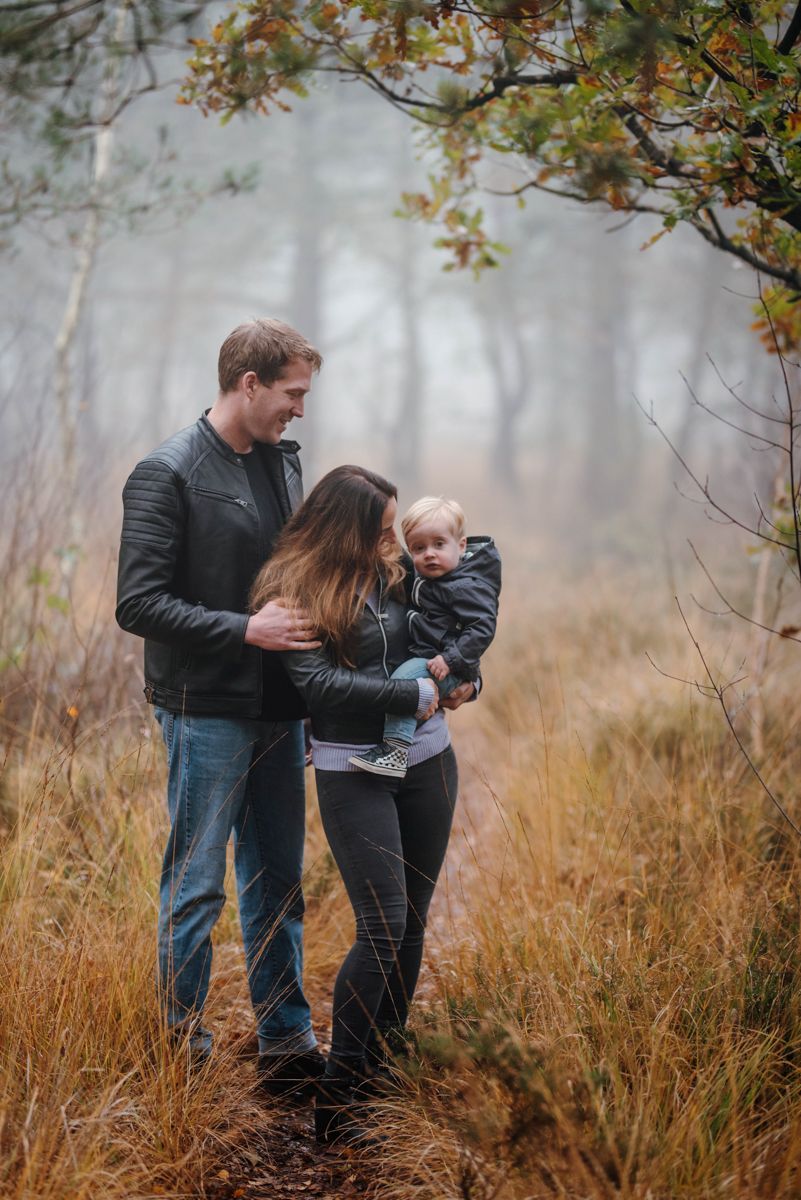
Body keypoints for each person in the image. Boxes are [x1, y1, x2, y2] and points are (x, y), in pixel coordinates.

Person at [115, 318, 327, 1096]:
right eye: (291, 392)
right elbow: (137, 605)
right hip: (204, 707)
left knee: (278, 877)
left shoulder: (281, 465)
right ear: (249, 384)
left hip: (280, 708)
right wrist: (247, 630)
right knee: (197, 882)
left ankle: (286, 1039)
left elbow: (294, 586)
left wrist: (310, 696)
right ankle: (182, 1050)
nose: (300, 408)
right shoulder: (165, 472)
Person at [250, 465, 475, 1147]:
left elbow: (449, 629)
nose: (393, 543)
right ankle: (338, 1096)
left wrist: (465, 678)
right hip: (354, 770)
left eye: (394, 530)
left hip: (428, 759)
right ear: (346, 527)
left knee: (410, 923)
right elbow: (317, 684)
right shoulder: (293, 590)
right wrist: (403, 697)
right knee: (381, 925)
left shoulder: (399, 574)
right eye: (380, 530)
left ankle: (383, 1069)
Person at [349, 495, 501, 778]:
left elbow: (482, 628)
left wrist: (452, 660)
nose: (429, 554)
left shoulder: (465, 586)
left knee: (405, 682)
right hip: (435, 657)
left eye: (439, 544)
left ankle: (395, 749)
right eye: (419, 548)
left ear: (462, 545)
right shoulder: (430, 577)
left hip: (446, 663)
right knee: (406, 680)